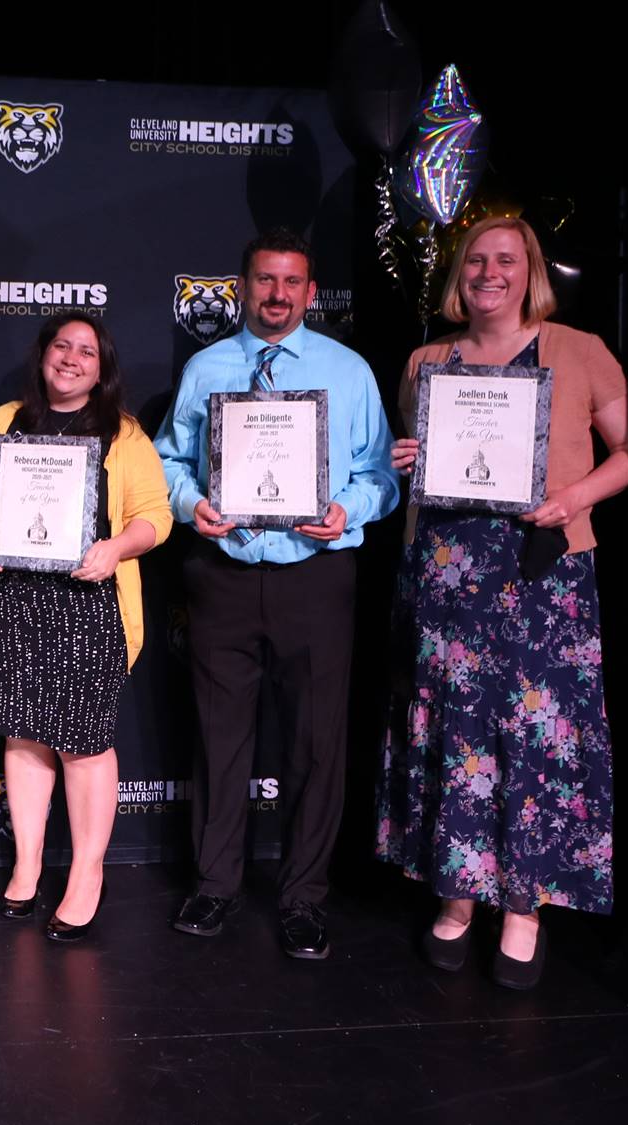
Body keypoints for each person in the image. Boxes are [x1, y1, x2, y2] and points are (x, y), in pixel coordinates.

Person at [377, 216, 628, 989]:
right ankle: (458, 895)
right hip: (447, 576)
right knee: (457, 732)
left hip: (544, 577)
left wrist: (575, 496)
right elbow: (427, 464)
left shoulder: (580, 350)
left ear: (528, 269)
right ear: (458, 276)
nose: (490, 272)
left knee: (534, 735)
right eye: (476, 261)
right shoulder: (426, 360)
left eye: (506, 259)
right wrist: (407, 457)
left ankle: (524, 905)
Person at [154, 226, 399, 958]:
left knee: (316, 744)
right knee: (219, 739)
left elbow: (381, 475)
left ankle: (302, 898)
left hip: (315, 574)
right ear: (243, 285)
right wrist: (187, 501)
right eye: (264, 280)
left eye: (292, 282)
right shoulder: (206, 367)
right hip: (224, 572)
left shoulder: (349, 370)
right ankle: (217, 884)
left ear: (311, 292)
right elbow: (168, 457)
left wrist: (346, 511)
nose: (277, 294)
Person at [0, 313, 171, 939]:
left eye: (87, 352)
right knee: (22, 737)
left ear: (103, 369)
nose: (72, 359)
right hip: (14, 600)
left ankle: (86, 873)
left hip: (89, 605)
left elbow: (157, 515)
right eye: (62, 346)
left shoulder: (123, 434)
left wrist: (118, 547)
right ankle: (26, 866)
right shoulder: (4, 420)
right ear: (43, 354)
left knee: (83, 744)